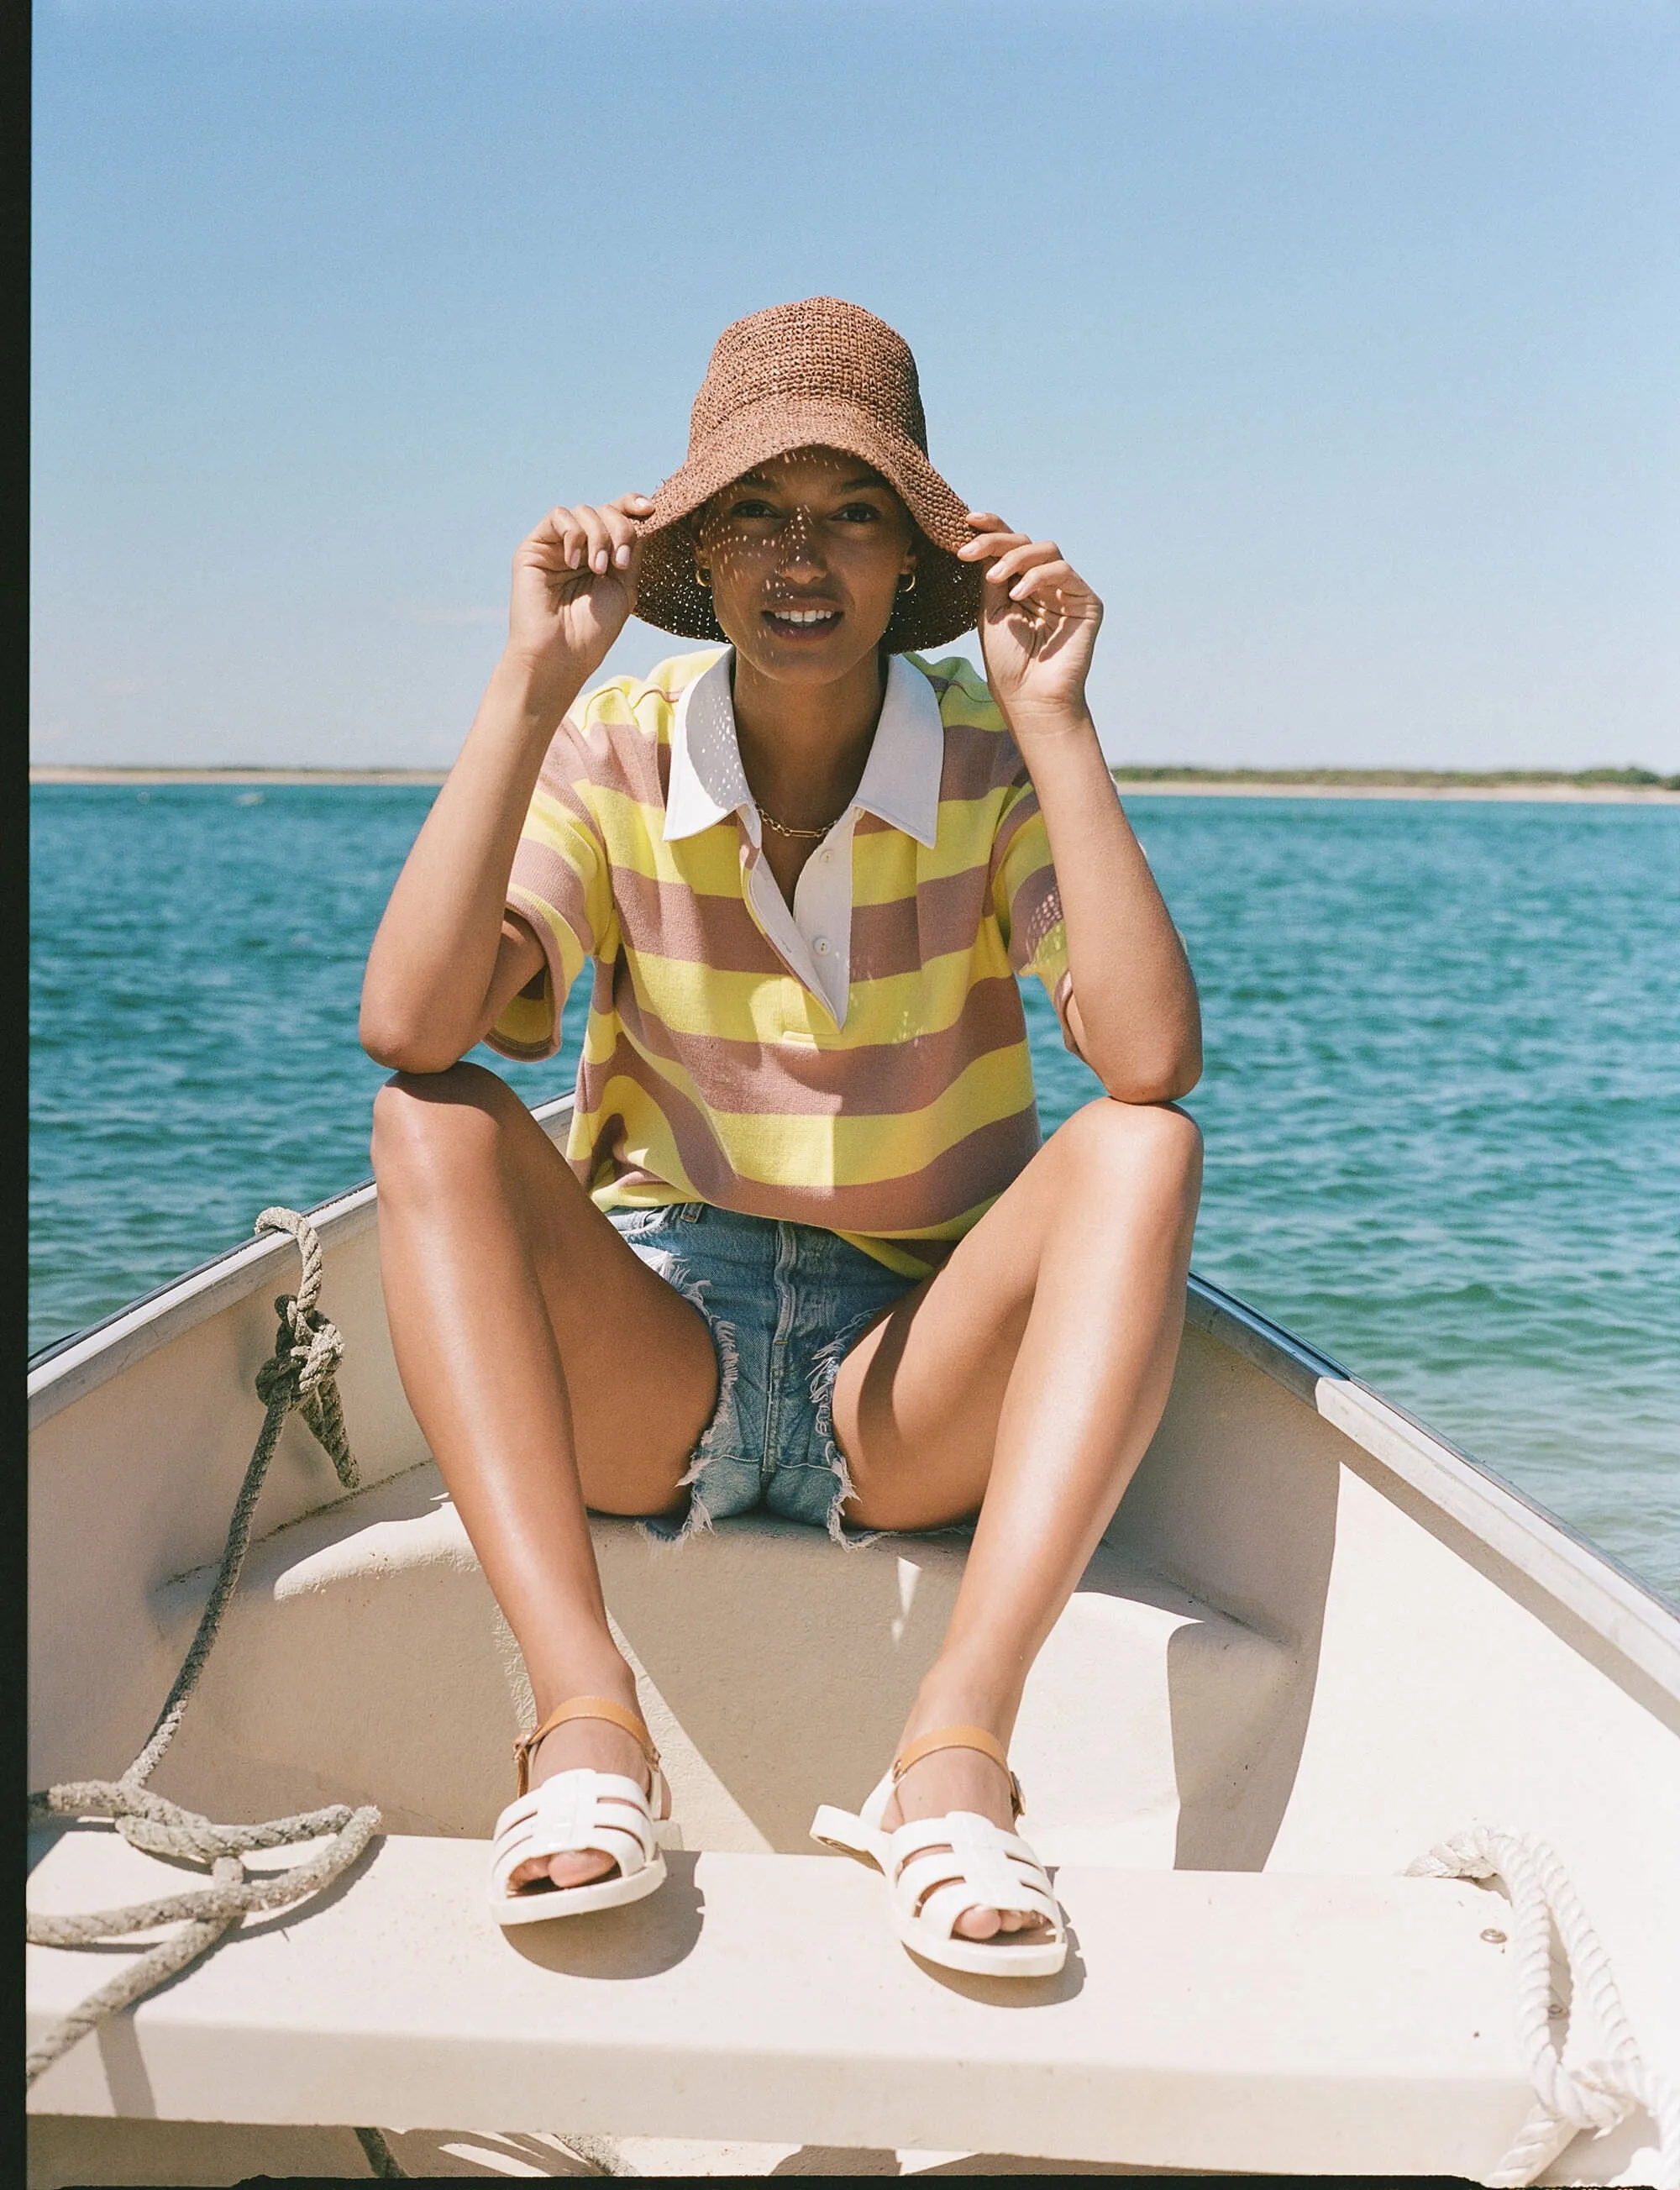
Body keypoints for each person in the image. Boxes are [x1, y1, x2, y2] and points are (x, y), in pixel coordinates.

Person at [360, 297, 1202, 1980]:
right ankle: (586, 1725)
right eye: (755, 509)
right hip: (658, 1364)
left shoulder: (984, 752)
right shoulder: (615, 741)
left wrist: (1056, 720)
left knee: (1141, 1148)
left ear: (913, 560)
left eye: (852, 512)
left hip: (907, 1381)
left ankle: (951, 1748)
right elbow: (416, 1019)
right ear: (704, 550)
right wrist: (531, 683)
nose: (798, 555)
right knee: (429, 1117)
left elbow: (1148, 1053)